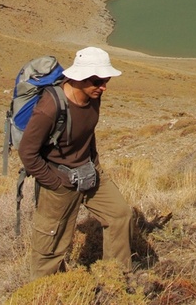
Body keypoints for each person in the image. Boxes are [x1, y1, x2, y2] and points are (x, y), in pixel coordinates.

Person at [18, 46, 134, 280]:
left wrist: (95, 164)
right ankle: (43, 292)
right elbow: (27, 153)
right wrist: (55, 182)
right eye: (97, 81)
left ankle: (117, 280)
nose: (103, 87)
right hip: (59, 181)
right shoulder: (50, 108)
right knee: (50, 245)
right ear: (79, 78)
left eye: (106, 80)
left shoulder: (94, 97)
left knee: (120, 215)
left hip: (89, 172)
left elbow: (87, 133)